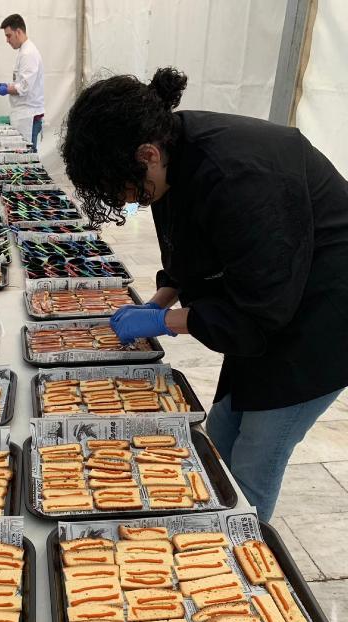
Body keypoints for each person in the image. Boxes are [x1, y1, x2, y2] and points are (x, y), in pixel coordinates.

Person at [61, 68, 348, 522]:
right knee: (222, 431)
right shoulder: (173, 154)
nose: (130, 199)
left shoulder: (239, 178)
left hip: (325, 313)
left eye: (127, 188)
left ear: (147, 154)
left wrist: (166, 322)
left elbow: (257, 316)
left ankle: (238, 554)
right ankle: (209, 527)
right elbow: (186, 253)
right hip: (270, 294)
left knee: (258, 453)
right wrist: (157, 302)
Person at [0, 13, 44, 149]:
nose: (7, 40)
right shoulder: (24, 51)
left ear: (18, 32)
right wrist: (8, 86)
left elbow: (24, 87)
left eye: (8, 35)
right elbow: (21, 81)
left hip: (28, 117)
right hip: (23, 114)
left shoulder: (28, 53)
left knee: (28, 160)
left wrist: (7, 89)